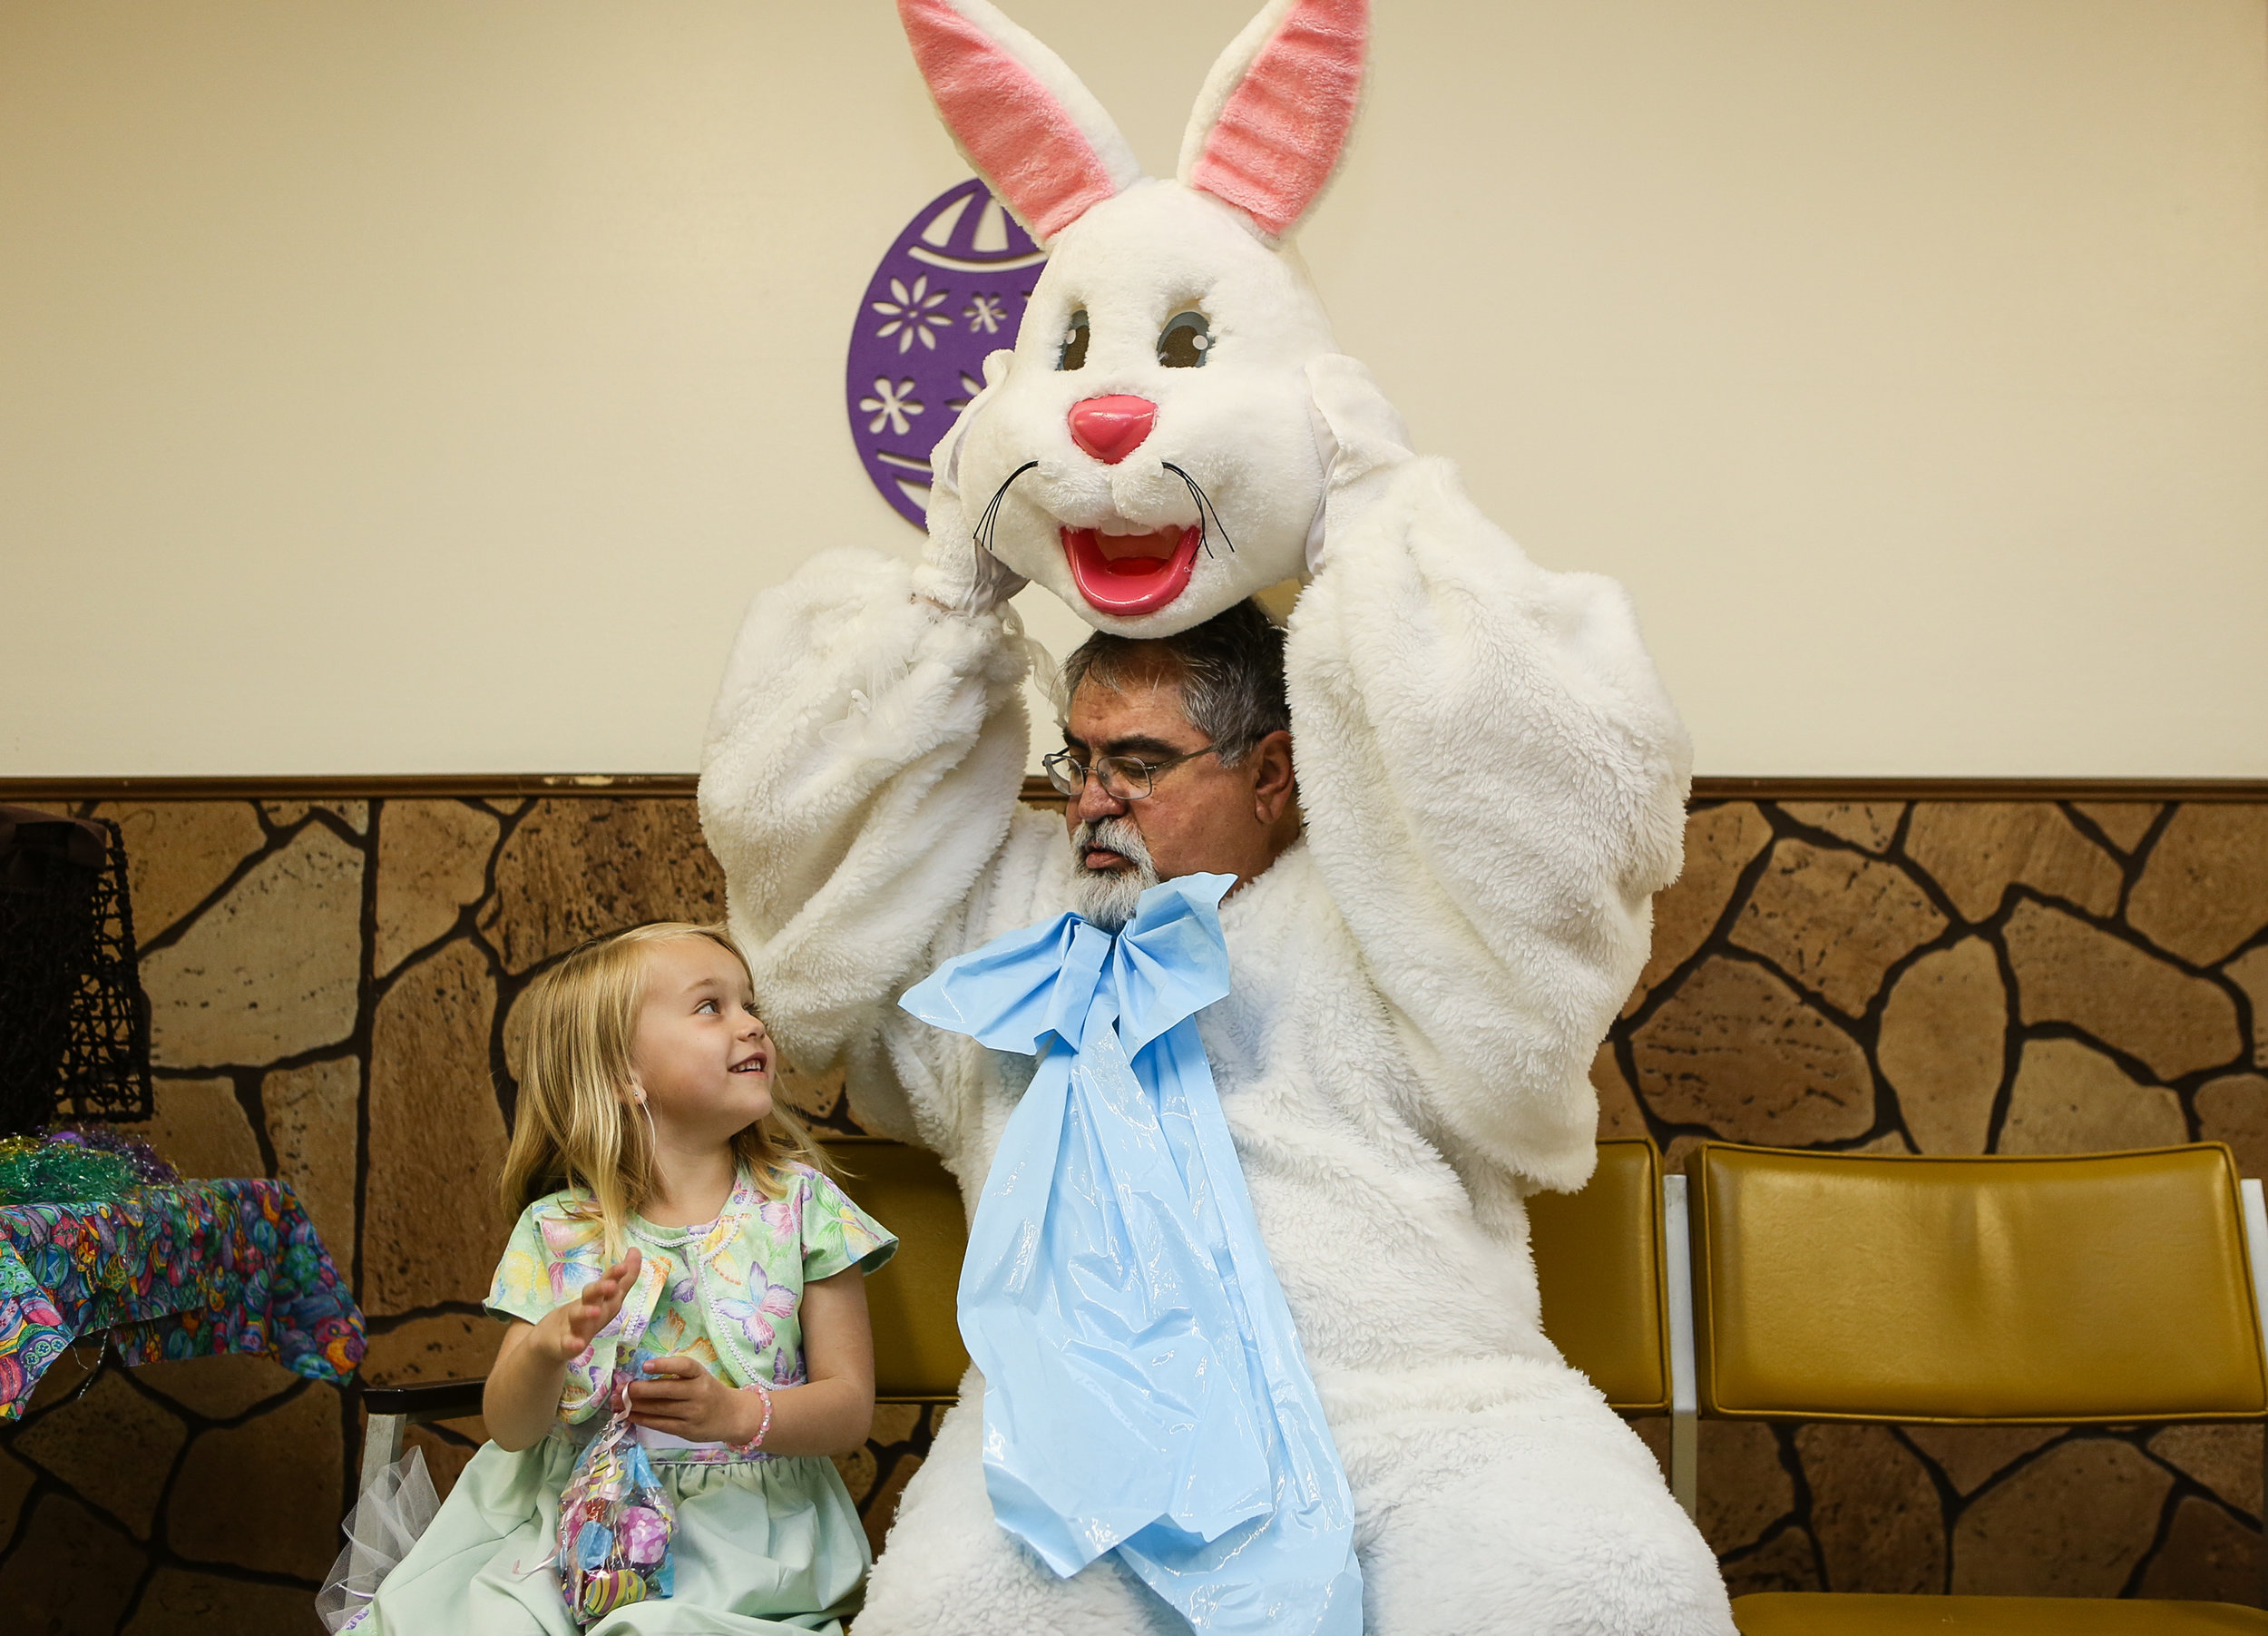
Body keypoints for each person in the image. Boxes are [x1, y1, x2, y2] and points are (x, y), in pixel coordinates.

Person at [699, 505, 1732, 1631]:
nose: (1093, 799)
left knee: (1605, 1594)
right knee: (954, 1615)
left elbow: (1571, 806)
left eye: (1138, 764)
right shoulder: (998, 915)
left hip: (1425, 1414)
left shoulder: (1391, 915)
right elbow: (788, 857)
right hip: (1073, 1436)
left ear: (1271, 773)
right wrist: (947, 602)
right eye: (1079, 760)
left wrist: (1371, 528)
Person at [327, 921, 895, 1635]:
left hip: (743, 1535)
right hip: (563, 1525)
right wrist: (542, 1348)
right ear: (625, 1073)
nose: (751, 1024)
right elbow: (510, 1427)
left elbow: (850, 1408)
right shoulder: (557, 1228)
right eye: (710, 1006)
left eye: (750, 1004)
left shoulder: (801, 1206)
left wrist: (736, 1414)